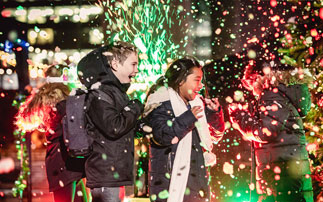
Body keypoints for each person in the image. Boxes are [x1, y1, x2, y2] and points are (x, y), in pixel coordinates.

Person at [228, 45, 314, 202]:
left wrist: (239, 116)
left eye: (250, 81)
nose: (250, 88)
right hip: (287, 169)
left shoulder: (270, 94)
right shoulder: (279, 93)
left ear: (258, 77)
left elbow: (265, 132)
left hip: (281, 171)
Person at [143, 57, 225, 202]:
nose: (201, 85)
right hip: (170, 184)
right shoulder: (161, 103)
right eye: (197, 80)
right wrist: (188, 118)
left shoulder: (195, 104)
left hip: (195, 181)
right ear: (181, 80)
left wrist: (214, 113)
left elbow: (215, 136)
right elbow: (161, 135)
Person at [76, 41, 143, 202]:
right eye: (133, 64)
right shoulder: (101, 92)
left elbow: (120, 127)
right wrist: (134, 107)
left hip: (112, 174)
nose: (136, 70)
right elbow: (113, 127)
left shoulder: (115, 92)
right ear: (114, 64)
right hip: (106, 175)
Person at [15, 64, 86, 202]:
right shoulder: (68, 100)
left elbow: (23, 119)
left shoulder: (47, 98)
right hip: (67, 159)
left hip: (64, 159)